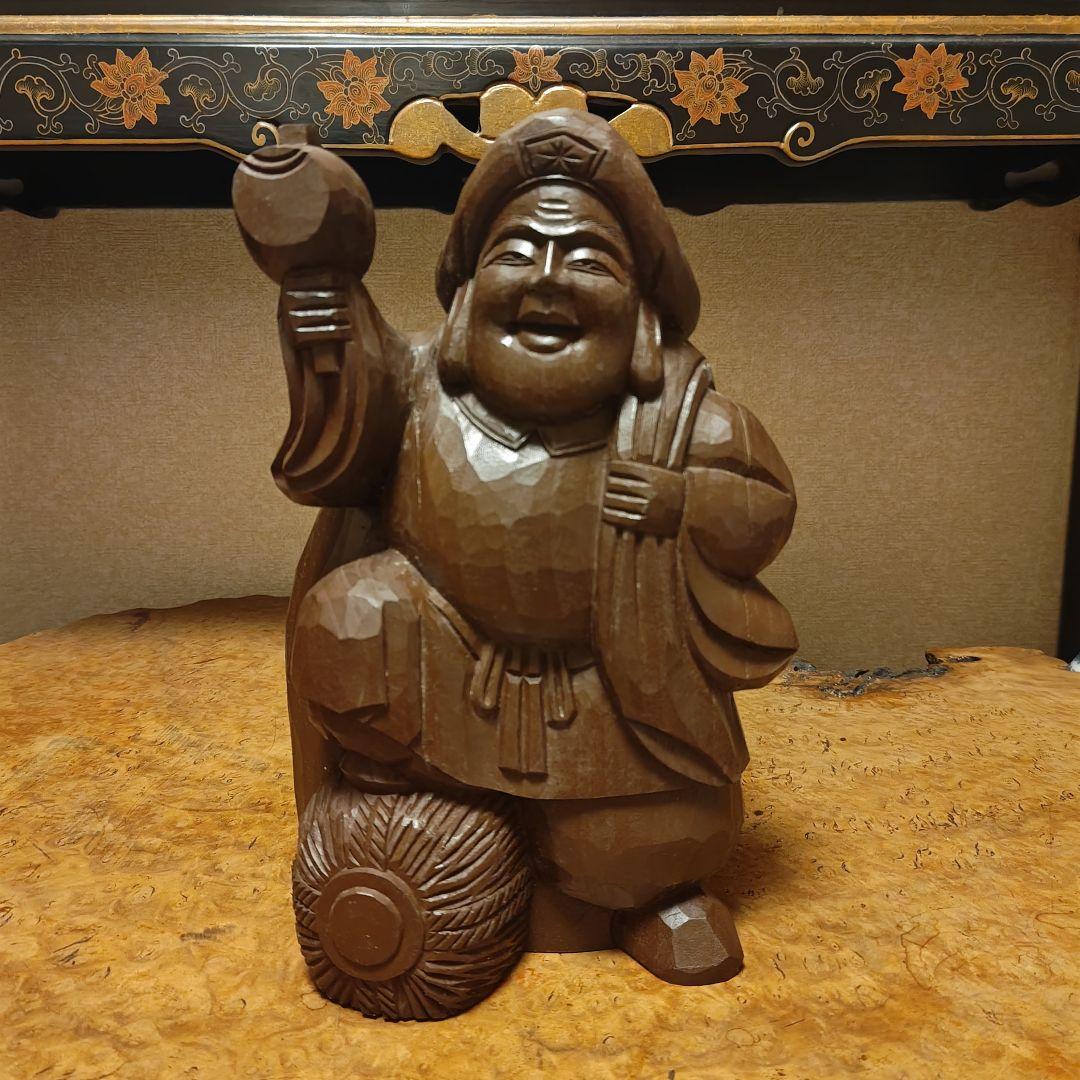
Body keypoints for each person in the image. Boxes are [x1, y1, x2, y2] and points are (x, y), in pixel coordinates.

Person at [243, 108, 796, 1003]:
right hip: (452, 666)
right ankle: (445, 820)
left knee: (657, 842)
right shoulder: (418, 384)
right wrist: (322, 300)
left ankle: (618, 896)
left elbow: (764, 506)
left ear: (645, 305)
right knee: (351, 618)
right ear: (464, 288)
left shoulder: (684, 419)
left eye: (589, 261)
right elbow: (341, 435)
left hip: (612, 694)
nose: (547, 279)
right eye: (515, 253)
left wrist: (683, 502)